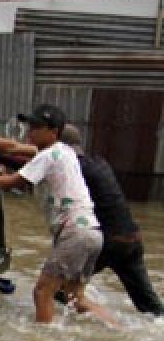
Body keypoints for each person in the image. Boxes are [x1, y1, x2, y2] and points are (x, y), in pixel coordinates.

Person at [0, 104, 117, 327]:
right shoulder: (63, 151)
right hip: (91, 233)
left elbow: (13, 182)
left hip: (74, 233)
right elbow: (13, 146)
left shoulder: (49, 155)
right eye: (30, 126)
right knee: (75, 299)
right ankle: (119, 329)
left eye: (36, 127)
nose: (30, 131)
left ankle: (43, 340)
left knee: (42, 292)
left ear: (53, 132)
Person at [60, 124, 163, 316]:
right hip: (131, 239)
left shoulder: (74, 168)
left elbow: (29, 173)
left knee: (56, 288)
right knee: (151, 309)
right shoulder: (98, 162)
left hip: (109, 243)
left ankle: (105, 325)